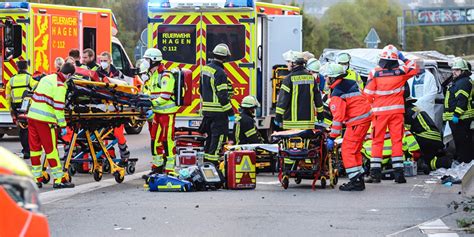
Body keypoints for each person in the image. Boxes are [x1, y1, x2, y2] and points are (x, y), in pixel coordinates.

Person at [363, 44, 417, 184]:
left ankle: (375, 174)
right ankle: (399, 174)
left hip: (379, 113)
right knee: (397, 141)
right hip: (397, 112)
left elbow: (367, 94)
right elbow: (414, 67)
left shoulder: (374, 72)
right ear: (395, 59)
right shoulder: (401, 71)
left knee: (377, 141)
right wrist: (403, 58)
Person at [27, 62, 76, 189]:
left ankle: (37, 178)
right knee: (51, 150)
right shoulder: (60, 86)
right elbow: (58, 108)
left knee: (35, 149)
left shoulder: (46, 78)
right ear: (69, 75)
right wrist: (63, 125)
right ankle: (58, 179)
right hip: (45, 120)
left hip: (32, 117)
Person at [325, 63, 373, 191]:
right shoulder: (350, 83)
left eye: (327, 77)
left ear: (333, 78)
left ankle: (355, 181)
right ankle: (359, 179)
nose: (326, 79)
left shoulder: (337, 93)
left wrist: (331, 137)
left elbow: (338, 118)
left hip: (356, 122)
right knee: (355, 150)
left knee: (347, 150)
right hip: (364, 119)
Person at [141, 48, 178, 176]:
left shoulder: (166, 76)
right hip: (157, 113)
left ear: (154, 61)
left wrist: (151, 103)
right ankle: (157, 166)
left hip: (167, 114)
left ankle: (170, 169)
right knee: (155, 139)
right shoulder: (153, 75)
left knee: (167, 140)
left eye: (147, 59)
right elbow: (148, 92)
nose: (145, 62)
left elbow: (165, 96)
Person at [199, 43, 234, 166]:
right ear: (225, 58)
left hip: (207, 112)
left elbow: (200, 90)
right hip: (219, 113)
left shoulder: (205, 69)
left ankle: (206, 164)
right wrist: (230, 113)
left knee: (209, 139)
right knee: (218, 140)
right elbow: (223, 96)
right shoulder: (220, 73)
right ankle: (213, 167)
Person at [275, 50, 324, 129]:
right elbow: (317, 98)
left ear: (294, 63)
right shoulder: (311, 78)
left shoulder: (288, 79)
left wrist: (278, 115)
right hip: (308, 123)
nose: (287, 64)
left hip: (292, 123)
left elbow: (283, 100)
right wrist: (320, 114)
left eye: (288, 61)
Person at [96, 51, 130, 164]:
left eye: (105, 61)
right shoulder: (97, 73)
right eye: (101, 61)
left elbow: (123, 87)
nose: (103, 63)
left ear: (110, 61)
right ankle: (109, 155)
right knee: (103, 134)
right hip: (102, 106)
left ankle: (124, 155)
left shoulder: (117, 74)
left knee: (118, 133)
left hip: (116, 107)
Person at [404, 97, 452, 172]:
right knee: (429, 158)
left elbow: (406, 131)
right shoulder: (414, 108)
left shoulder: (407, 112)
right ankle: (438, 160)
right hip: (434, 137)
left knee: (406, 139)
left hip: (426, 138)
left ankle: (420, 163)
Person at [443, 58, 473, 164]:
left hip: (461, 118)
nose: (453, 72)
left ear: (463, 71)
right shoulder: (459, 81)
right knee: (460, 141)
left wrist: (456, 114)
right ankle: (463, 160)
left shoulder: (463, 82)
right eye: (453, 69)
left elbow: (462, 101)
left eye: (457, 70)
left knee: (463, 142)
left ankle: (465, 161)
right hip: (457, 118)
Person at [5, 60, 37, 160]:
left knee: (22, 130)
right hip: (28, 107)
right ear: (26, 67)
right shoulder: (29, 78)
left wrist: (11, 111)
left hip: (16, 108)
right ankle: (31, 150)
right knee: (30, 129)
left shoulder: (12, 80)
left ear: (17, 68)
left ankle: (26, 151)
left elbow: (8, 97)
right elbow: (36, 87)